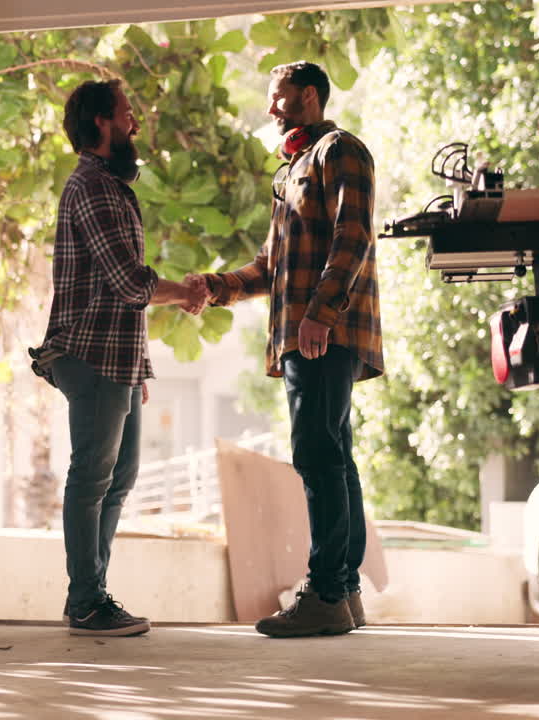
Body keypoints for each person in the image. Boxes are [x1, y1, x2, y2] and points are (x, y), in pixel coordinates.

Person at [187, 61, 383, 637]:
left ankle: (325, 591)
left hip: (324, 331)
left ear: (311, 96)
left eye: (281, 98)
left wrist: (320, 314)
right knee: (332, 454)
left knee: (318, 456)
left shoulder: (341, 151)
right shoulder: (293, 168)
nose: (272, 109)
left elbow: (354, 236)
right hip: (306, 333)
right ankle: (343, 593)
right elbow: (272, 267)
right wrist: (217, 287)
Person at [29, 79, 208, 636]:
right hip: (90, 354)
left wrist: (138, 371)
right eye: (128, 114)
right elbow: (130, 283)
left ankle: (91, 595)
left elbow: (120, 296)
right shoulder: (94, 187)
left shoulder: (108, 184)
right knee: (92, 478)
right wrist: (187, 292)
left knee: (119, 478)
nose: (135, 124)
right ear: (103, 122)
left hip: (115, 360)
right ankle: (86, 600)